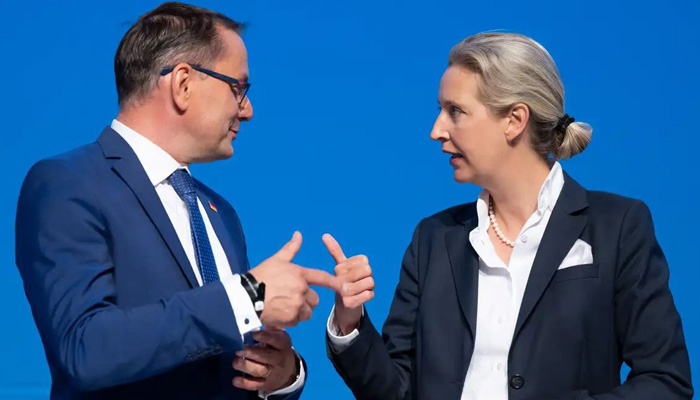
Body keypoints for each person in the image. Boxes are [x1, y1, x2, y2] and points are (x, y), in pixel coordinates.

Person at [323, 32, 694, 399]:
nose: (436, 130)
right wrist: (349, 320)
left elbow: (666, 382)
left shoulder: (617, 226)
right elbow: (397, 390)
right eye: (440, 111)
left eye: (455, 111)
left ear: (515, 120)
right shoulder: (432, 238)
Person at [15, 2, 341, 399]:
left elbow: (216, 353)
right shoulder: (68, 183)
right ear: (183, 83)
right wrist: (247, 296)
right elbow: (83, 349)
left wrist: (282, 375)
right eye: (238, 88)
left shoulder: (220, 214)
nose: (248, 110)